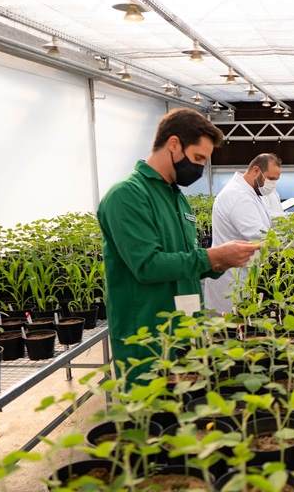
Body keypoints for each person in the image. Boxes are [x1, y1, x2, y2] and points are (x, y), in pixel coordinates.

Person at [98, 108, 260, 385]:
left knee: (187, 418)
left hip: (185, 329)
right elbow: (147, 266)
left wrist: (224, 260)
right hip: (147, 337)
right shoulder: (127, 196)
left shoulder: (177, 198)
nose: (199, 168)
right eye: (198, 158)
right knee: (151, 418)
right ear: (174, 144)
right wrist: (212, 257)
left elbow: (185, 260)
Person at [205, 153, 282, 313]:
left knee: (241, 326)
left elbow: (265, 221)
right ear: (256, 170)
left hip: (244, 274)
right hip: (232, 278)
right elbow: (260, 237)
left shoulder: (250, 192)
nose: (273, 184)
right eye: (271, 178)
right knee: (227, 330)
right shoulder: (238, 196)